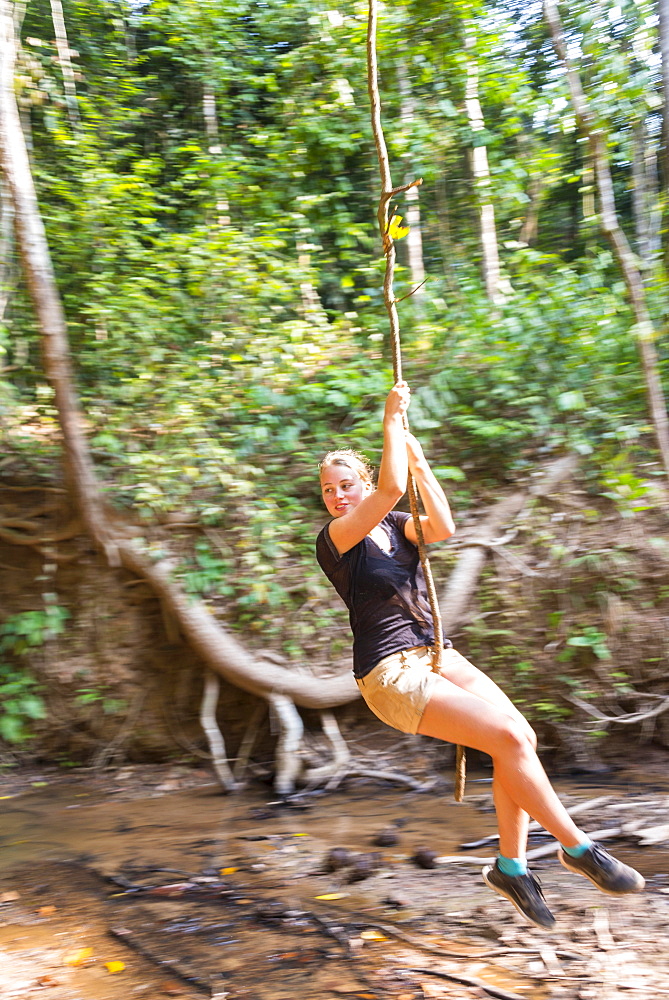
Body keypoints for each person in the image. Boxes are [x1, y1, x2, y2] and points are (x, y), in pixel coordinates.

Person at [316, 380, 644, 929]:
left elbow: (441, 526)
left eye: (346, 484)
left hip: (435, 655)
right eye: (328, 489)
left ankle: (511, 868)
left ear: (361, 481)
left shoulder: (396, 527)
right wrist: (390, 420)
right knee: (509, 738)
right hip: (390, 673)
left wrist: (418, 460)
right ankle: (578, 848)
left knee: (520, 737)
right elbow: (391, 488)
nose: (337, 496)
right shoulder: (337, 537)